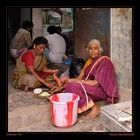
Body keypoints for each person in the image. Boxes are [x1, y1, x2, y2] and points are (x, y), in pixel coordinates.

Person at [51, 39, 119, 119]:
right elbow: (79, 78)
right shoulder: (89, 62)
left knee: (73, 86)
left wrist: (77, 82)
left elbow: (95, 83)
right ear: (88, 50)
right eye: (90, 48)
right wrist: (62, 86)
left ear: (100, 50)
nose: (92, 51)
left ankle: (94, 108)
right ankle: (82, 106)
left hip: (100, 90)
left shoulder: (104, 61)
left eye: (95, 48)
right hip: (89, 89)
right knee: (69, 86)